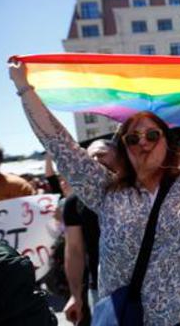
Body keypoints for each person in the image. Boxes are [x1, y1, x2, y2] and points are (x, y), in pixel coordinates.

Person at [8, 63, 180, 325]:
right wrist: (24, 89)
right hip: (126, 318)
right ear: (124, 149)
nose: (142, 142)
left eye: (152, 135)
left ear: (168, 141)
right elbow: (58, 143)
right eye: (133, 138)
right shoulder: (106, 192)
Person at [62, 139, 119, 325]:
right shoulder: (74, 203)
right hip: (100, 291)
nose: (95, 159)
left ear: (119, 157)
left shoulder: (139, 192)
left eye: (101, 154)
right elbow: (75, 250)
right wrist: (75, 295)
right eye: (90, 156)